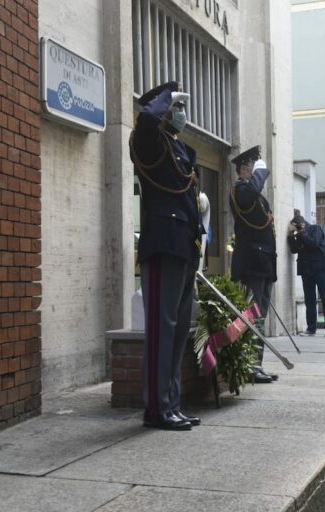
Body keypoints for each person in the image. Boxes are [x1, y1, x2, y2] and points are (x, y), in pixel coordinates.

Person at [129, 81, 202, 431]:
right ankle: (157, 409)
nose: (180, 113)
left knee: (177, 331)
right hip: (162, 245)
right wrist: (163, 99)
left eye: (178, 107)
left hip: (184, 245)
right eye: (175, 107)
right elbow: (145, 122)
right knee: (162, 329)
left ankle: (172, 403)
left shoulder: (179, 148)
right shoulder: (147, 138)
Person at [229, 145, 278, 384]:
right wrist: (260, 174)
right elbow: (248, 198)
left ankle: (256, 364)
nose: (256, 172)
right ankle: (249, 365)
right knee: (253, 315)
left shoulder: (252, 192)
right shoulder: (241, 190)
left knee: (260, 315)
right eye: (252, 167)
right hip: (252, 264)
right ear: (244, 169)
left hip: (263, 263)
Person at [288, 214, 325, 336]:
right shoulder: (298, 233)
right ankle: (311, 328)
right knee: (309, 300)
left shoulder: (315, 229)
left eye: (297, 227)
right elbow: (294, 249)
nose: (297, 229)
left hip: (320, 268)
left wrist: (302, 232)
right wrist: (291, 236)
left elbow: (313, 243)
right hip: (306, 270)